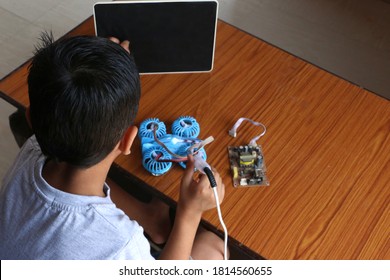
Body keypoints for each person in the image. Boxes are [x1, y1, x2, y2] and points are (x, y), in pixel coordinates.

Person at [0, 33, 226, 260]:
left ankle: (152, 218)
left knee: (84, 173)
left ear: (30, 119)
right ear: (128, 141)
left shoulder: (31, 150)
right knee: (212, 246)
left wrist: (106, 67)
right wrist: (189, 214)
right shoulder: (121, 243)